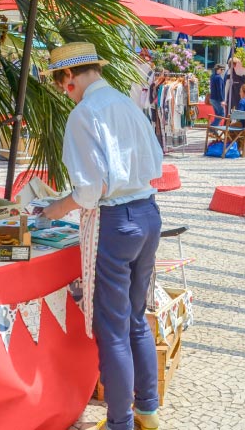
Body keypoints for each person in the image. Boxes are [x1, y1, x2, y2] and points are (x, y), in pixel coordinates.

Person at [43, 42, 163, 430]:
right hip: (148, 213)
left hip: (116, 221)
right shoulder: (127, 102)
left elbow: (89, 190)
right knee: (135, 318)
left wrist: (56, 208)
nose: (65, 91)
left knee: (112, 328)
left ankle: (119, 422)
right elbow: (156, 162)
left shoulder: (85, 113)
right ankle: (147, 410)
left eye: (62, 83)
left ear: (69, 77)